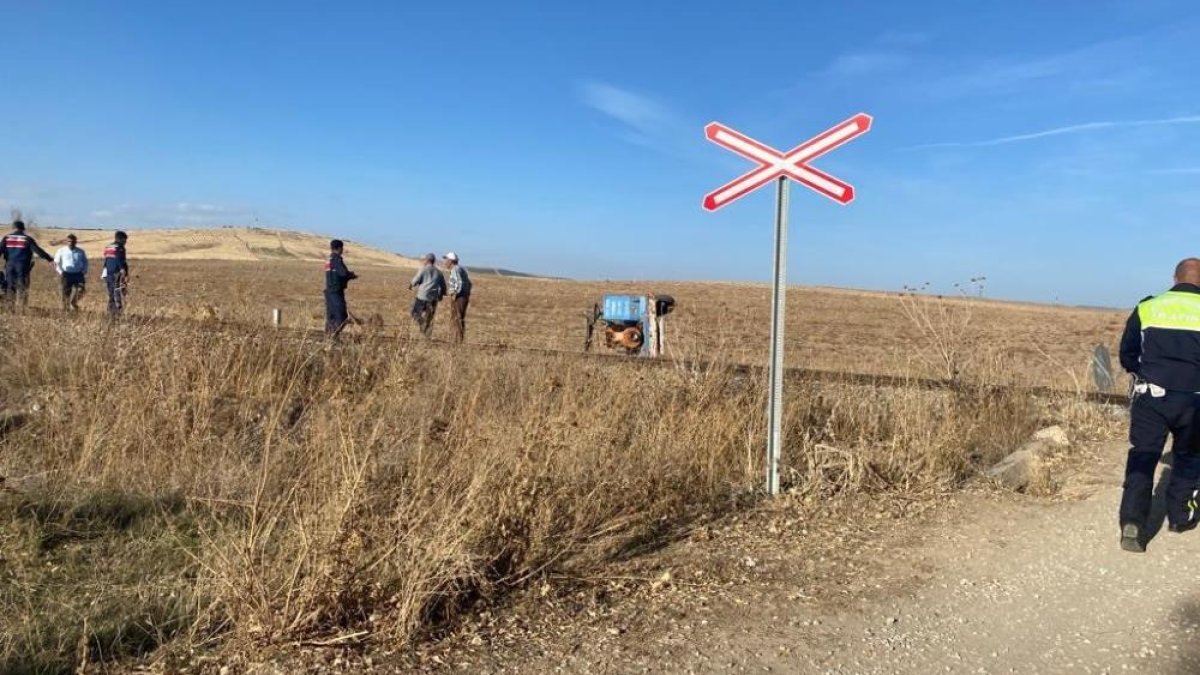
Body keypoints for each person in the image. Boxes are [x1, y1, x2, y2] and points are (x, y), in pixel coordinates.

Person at [1117, 258, 1200, 552]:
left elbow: (1127, 352)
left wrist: (1142, 373)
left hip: (1151, 396)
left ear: (1175, 278)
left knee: (1143, 456)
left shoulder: (1148, 306)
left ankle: (1133, 522)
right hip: (1193, 399)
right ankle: (1180, 517)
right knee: (1189, 457)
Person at [1, 220, 54, 307]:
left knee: (10, 287)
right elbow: (38, 251)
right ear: (23, 229)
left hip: (9, 267)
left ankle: (10, 309)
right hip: (23, 267)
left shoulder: (6, 238)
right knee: (22, 288)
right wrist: (49, 259)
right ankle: (23, 309)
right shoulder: (27, 239)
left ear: (14, 228)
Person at [324, 239, 357, 337]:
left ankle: (328, 339)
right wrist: (351, 275)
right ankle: (332, 336)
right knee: (341, 316)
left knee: (331, 317)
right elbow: (342, 273)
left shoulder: (329, 259)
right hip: (336, 291)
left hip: (329, 291)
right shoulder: (336, 259)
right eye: (342, 248)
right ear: (339, 248)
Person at [409, 253, 445, 337]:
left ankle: (422, 323)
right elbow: (443, 286)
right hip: (433, 298)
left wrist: (411, 285)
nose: (423, 261)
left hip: (422, 296)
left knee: (415, 313)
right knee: (430, 317)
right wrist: (441, 295)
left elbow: (416, 279)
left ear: (428, 260)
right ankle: (427, 336)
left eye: (424, 260)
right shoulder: (439, 272)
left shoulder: (423, 269)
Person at [53, 234, 88, 311]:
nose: (71, 243)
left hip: (78, 274)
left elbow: (85, 262)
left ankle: (74, 302)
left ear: (76, 242)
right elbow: (56, 263)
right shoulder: (61, 251)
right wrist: (60, 272)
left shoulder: (80, 251)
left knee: (81, 290)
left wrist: (84, 270)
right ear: (66, 242)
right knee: (65, 293)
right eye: (69, 241)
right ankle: (66, 310)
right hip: (66, 274)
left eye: (73, 241)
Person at [443, 251, 472, 344]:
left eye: (446, 260)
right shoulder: (461, 269)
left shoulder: (455, 269)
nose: (445, 262)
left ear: (451, 261)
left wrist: (452, 293)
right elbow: (470, 283)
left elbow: (457, 284)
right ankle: (457, 339)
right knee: (459, 318)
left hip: (459, 297)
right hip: (463, 296)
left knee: (457, 318)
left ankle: (457, 341)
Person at [102, 231, 129, 317]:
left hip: (107, 272)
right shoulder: (120, 248)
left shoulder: (108, 247)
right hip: (116, 272)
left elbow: (106, 260)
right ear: (121, 239)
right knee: (117, 291)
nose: (125, 242)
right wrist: (123, 270)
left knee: (110, 292)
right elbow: (120, 260)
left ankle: (110, 311)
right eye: (125, 240)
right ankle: (118, 311)